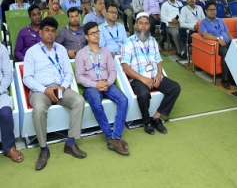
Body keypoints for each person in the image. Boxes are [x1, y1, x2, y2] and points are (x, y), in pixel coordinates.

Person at [23, 17, 87, 170]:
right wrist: (45, 90)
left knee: (79, 100)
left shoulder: (61, 49)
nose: (50, 34)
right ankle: (44, 149)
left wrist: (63, 87)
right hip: (40, 90)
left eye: (53, 31)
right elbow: (27, 77)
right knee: (38, 109)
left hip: (60, 88)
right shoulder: (31, 52)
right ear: (40, 32)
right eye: (47, 30)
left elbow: (68, 74)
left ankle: (70, 143)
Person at [121, 12, 181, 135]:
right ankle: (146, 120)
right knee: (143, 94)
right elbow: (125, 67)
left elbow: (159, 60)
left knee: (175, 88)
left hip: (154, 76)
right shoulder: (128, 42)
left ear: (149, 26)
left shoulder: (153, 40)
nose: (143, 26)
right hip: (138, 78)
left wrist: (159, 75)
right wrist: (143, 79)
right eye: (141, 23)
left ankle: (156, 117)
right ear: (135, 25)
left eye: (146, 24)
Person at [75, 22, 129, 155]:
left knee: (124, 100)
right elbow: (79, 77)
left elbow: (113, 71)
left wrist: (107, 82)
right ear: (86, 36)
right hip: (91, 87)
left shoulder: (105, 51)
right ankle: (110, 137)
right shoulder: (81, 54)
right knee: (97, 104)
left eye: (97, 32)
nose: (96, 35)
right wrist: (96, 84)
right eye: (93, 33)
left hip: (107, 84)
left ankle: (115, 137)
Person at [200, 1, 233, 89]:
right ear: (206, 11)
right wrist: (218, 39)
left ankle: (234, 78)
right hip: (218, 45)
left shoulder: (220, 20)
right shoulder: (203, 22)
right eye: (210, 10)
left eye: (214, 9)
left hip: (228, 42)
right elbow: (205, 35)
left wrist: (234, 42)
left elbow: (228, 32)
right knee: (226, 52)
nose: (213, 11)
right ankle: (225, 80)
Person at [0, 43, 24, 163]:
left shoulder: (1, 48)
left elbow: (8, 74)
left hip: (0, 92)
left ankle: (9, 148)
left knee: (5, 113)